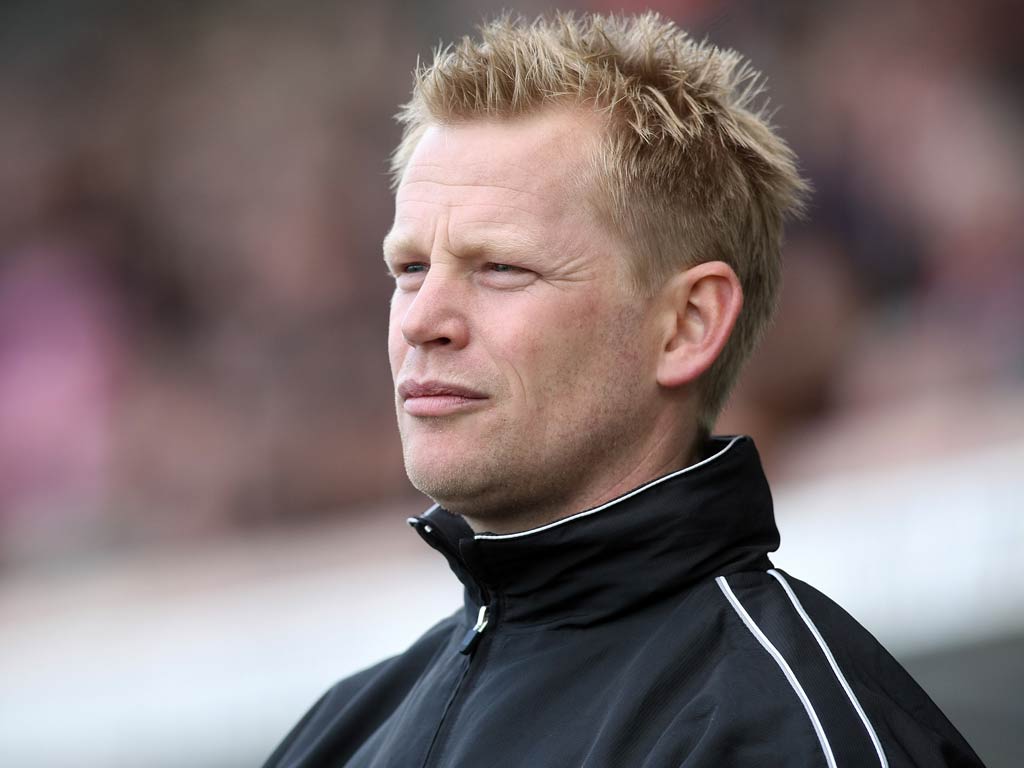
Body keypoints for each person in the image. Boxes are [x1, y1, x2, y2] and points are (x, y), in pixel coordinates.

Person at [264, 12, 984, 768]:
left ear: (686, 325)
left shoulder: (776, 732)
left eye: (501, 268)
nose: (423, 321)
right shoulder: (341, 733)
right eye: (409, 269)